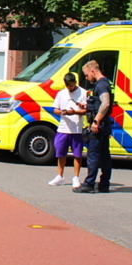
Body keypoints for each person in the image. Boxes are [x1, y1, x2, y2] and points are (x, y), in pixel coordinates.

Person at [74, 60, 114, 193]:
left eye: (86, 75)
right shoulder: (105, 83)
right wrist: (87, 106)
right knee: (104, 156)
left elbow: (106, 103)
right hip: (104, 125)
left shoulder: (101, 85)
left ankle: (89, 184)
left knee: (93, 156)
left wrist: (96, 121)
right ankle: (104, 184)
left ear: (93, 71)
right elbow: (99, 104)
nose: (86, 78)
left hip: (99, 126)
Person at [49, 73, 86, 187]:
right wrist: (63, 112)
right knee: (60, 153)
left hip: (77, 128)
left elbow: (86, 110)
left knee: (77, 154)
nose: (70, 88)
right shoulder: (61, 94)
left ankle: (76, 177)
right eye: (68, 86)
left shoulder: (83, 93)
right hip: (63, 127)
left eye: (72, 85)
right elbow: (55, 109)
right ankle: (60, 176)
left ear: (75, 82)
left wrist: (75, 112)